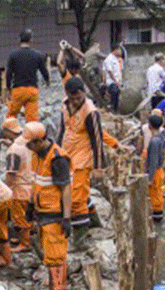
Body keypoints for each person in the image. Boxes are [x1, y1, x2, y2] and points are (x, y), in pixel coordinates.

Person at [23, 122, 72, 290]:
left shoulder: (57, 159)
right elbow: (36, 182)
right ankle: (61, 282)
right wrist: (30, 204)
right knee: (54, 251)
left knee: (53, 256)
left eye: (29, 144)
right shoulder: (37, 156)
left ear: (38, 141)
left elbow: (65, 189)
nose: (27, 147)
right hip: (42, 209)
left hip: (54, 212)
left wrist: (66, 218)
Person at [58, 77, 105, 250]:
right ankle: (94, 221)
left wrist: (99, 167)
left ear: (84, 93)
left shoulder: (90, 112)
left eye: (79, 97)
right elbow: (62, 129)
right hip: (67, 153)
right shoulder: (64, 105)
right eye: (73, 98)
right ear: (67, 95)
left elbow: (97, 140)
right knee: (78, 191)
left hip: (83, 157)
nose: (76, 101)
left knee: (76, 198)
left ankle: (80, 240)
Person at [0, 117, 34, 252]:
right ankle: (24, 238)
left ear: (8, 131)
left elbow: (11, 173)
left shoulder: (14, 150)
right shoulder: (27, 143)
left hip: (20, 188)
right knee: (28, 215)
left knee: (19, 217)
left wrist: (5, 189)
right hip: (31, 185)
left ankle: (25, 244)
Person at [6, 29, 50, 122]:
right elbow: (44, 72)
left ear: (19, 41)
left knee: (11, 117)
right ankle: (32, 135)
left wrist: (8, 88)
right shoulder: (38, 55)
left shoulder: (13, 55)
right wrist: (47, 81)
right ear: (31, 40)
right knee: (32, 119)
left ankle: (10, 134)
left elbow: (8, 74)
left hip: (18, 90)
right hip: (32, 90)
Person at [145, 115, 165, 222]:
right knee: (157, 195)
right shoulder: (160, 137)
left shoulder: (154, 141)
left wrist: (149, 178)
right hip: (158, 171)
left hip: (155, 172)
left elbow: (153, 161)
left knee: (155, 197)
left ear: (150, 125)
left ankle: (157, 221)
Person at [103, 44, 124, 113]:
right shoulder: (109, 59)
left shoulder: (116, 58)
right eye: (119, 50)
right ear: (115, 50)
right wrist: (115, 81)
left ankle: (116, 110)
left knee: (117, 95)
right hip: (112, 81)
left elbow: (119, 70)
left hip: (117, 81)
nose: (120, 51)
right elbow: (110, 71)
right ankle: (113, 110)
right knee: (114, 93)